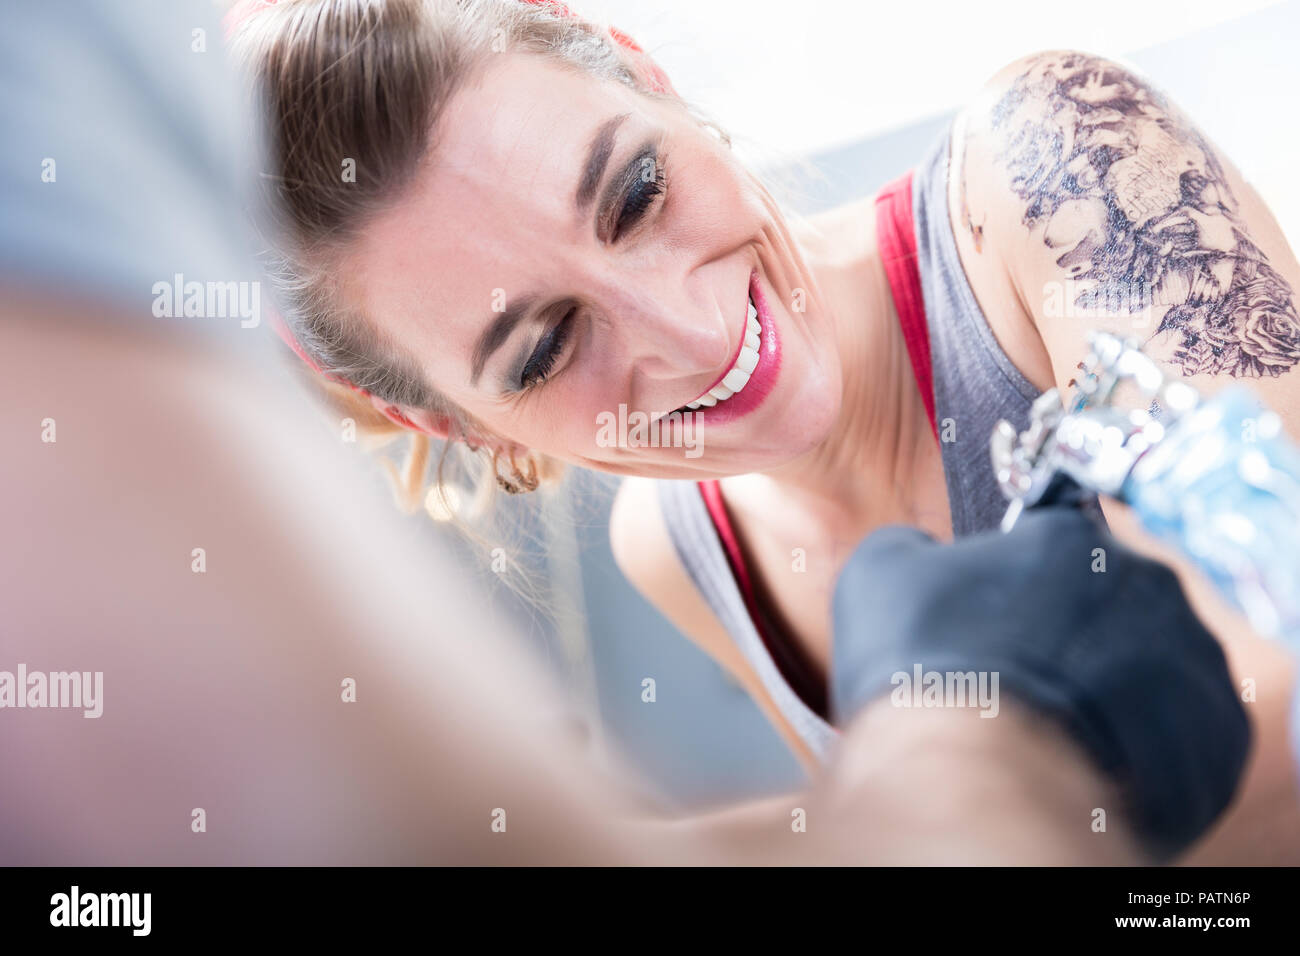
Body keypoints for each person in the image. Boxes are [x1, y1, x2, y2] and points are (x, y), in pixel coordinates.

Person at [0, 0, 1255, 866]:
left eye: (636, 192)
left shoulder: (1053, 163)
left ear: (647, 75)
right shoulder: (682, 541)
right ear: (460, 425)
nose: (689, 332)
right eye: (541, 350)